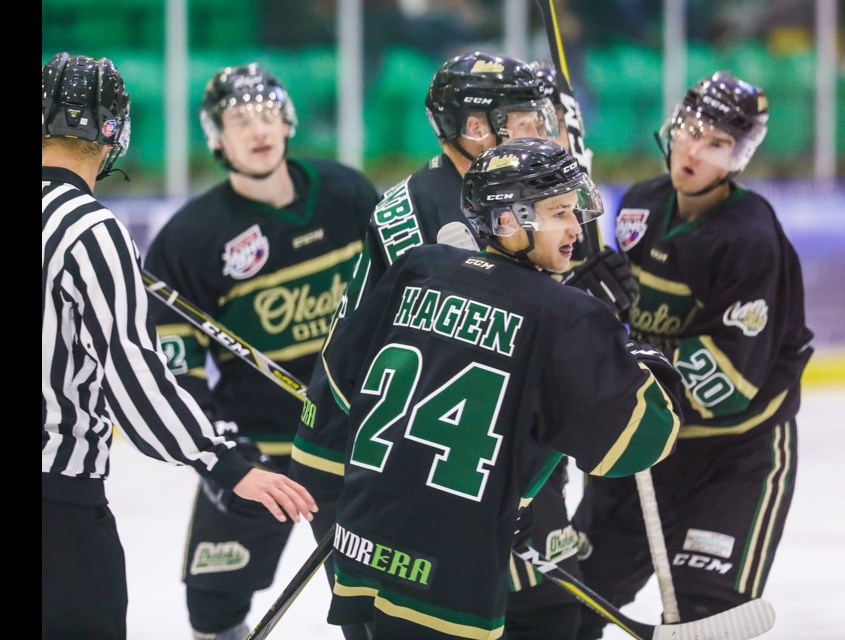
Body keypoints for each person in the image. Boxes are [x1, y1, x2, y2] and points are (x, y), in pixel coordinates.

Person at [289, 50, 637, 639]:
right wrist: (582, 303)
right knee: (532, 618)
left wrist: (579, 282)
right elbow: (489, 340)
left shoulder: (492, 192)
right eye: (526, 117)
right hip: (438, 462)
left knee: (545, 616)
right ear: (477, 128)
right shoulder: (434, 215)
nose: (543, 130)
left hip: (456, 447)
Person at [319, 136, 683, 639]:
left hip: (364, 536)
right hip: (452, 564)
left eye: (574, 210)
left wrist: (495, 498)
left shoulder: (418, 268)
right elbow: (640, 442)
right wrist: (644, 360)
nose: (577, 227)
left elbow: (345, 382)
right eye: (559, 212)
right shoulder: (567, 318)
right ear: (508, 221)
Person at [41, 52, 318, 640]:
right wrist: (224, 462)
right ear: (115, 129)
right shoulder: (88, 229)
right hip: (57, 506)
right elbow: (135, 385)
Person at [572, 71, 815, 638]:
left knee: (704, 618)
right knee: (568, 606)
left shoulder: (750, 238)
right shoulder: (637, 206)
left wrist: (621, 356)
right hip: (643, 448)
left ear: (739, 156)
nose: (692, 150)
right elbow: (615, 321)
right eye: (690, 130)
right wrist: (589, 305)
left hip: (733, 459)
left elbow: (725, 383)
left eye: (716, 143)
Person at [142, 62, 380, 640]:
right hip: (259, 455)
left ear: (289, 122)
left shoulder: (347, 192)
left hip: (352, 443)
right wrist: (225, 453)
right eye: (240, 119)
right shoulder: (190, 239)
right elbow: (178, 368)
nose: (258, 130)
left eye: (269, 114)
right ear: (216, 137)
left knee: (372, 605)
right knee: (212, 606)